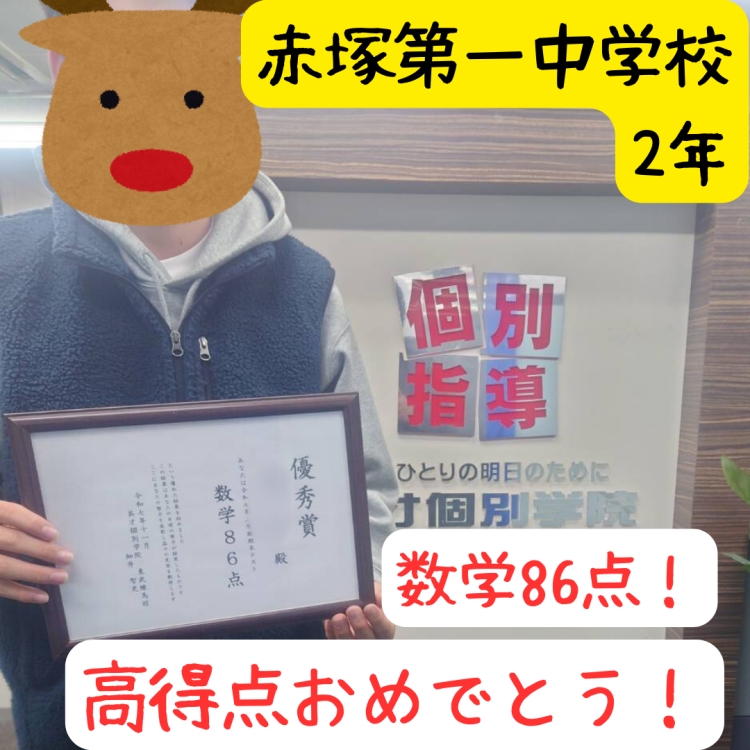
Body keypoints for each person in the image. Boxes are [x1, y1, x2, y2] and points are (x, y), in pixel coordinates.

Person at [0, 2, 397, 747]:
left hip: (271, 709)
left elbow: (367, 487)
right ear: (65, 77)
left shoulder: (304, 284)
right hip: (84, 714)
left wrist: (368, 585)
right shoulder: (7, 271)